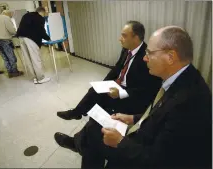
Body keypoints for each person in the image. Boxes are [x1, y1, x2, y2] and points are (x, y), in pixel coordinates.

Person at [55, 26, 212, 169]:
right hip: (148, 133)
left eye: (150, 53)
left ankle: (80, 144)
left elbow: (159, 161)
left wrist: (120, 142)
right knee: (95, 122)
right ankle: (81, 140)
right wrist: (132, 118)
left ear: (170, 57)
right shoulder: (182, 77)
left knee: (92, 133)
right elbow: (159, 112)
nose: (145, 58)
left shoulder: (188, 103)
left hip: (148, 153)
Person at [57, 21, 161, 120]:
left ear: (136, 38)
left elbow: (145, 89)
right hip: (118, 84)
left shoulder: (146, 57)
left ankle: (82, 118)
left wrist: (121, 93)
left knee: (100, 105)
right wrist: (103, 84)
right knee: (94, 91)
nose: (120, 39)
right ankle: (76, 113)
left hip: (130, 93)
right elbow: (117, 68)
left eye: (124, 36)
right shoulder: (127, 48)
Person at [17, 7, 51, 84]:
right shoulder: (40, 18)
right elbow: (41, 31)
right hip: (31, 39)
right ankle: (40, 78)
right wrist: (48, 38)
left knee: (28, 59)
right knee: (36, 59)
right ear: (42, 12)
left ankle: (35, 78)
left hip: (21, 38)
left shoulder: (26, 15)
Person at [0, 10, 23, 78]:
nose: (11, 16)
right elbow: (11, 30)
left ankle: (10, 72)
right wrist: (16, 33)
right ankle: (15, 72)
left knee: (5, 57)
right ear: (8, 13)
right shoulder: (6, 18)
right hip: (5, 40)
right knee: (11, 56)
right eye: (11, 15)